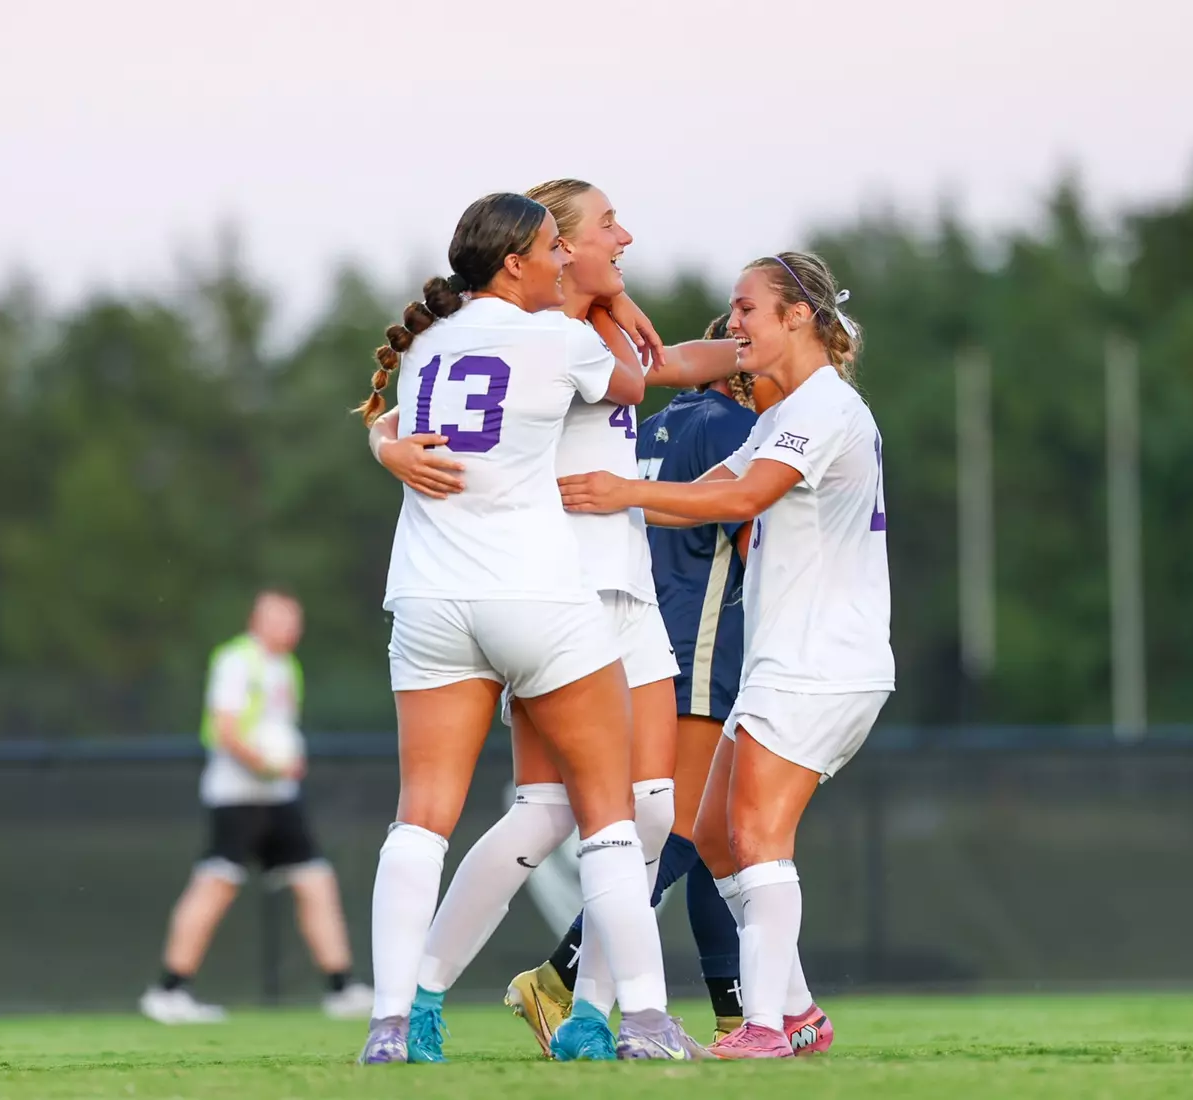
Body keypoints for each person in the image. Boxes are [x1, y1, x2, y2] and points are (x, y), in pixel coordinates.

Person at [368, 180, 741, 1062]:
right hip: (549, 593)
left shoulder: (493, 333)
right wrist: (384, 445)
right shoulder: (560, 336)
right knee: (569, 814)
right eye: (606, 225)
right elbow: (642, 376)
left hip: (600, 587)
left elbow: (665, 368)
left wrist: (756, 348)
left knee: (648, 812)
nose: (625, 235)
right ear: (549, 251)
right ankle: (466, 997)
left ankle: (569, 1011)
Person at [558, 250, 894, 1059]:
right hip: (789, 659)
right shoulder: (790, 411)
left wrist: (626, 493)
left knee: (756, 831)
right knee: (711, 833)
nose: (733, 322)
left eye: (746, 309)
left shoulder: (821, 407)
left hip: (824, 659)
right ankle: (800, 1011)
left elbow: (740, 499)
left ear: (796, 317)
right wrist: (611, 505)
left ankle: (765, 1028)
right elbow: (710, 489)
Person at [503, 315, 788, 1046]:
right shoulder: (734, 426)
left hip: (647, 621)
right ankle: (559, 979)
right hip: (697, 637)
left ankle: (733, 1012)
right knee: (682, 829)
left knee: (700, 829)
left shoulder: (657, 421)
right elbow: (756, 532)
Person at [140, 589, 371, 1024]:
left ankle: (342, 989)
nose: (291, 628)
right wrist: (266, 764)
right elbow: (224, 731)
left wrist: (284, 765)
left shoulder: (286, 667)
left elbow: (278, 729)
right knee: (216, 885)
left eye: (295, 620)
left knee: (316, 882)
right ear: (258, 620)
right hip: (237, 797)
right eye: (282, 619)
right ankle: (168, 991)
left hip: (279, 797)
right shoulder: (236, 661)